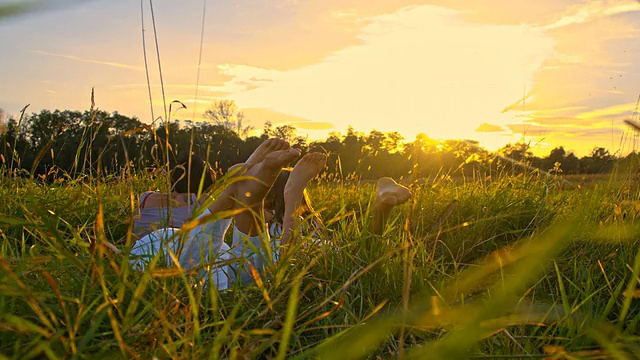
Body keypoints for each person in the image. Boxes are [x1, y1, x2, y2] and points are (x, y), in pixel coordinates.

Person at [130, 138, 300, 289]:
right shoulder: (202, 199)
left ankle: (241, 186)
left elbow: (130, 234)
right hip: (193, 250)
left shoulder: (147, 197)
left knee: (215, 271)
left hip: (154, 247)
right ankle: (243, 191)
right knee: (249, 276)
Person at [264, 152, 412, 250]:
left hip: (301, 259)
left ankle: (382, 205)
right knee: (364, 251)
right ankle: (381, 206)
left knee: (290, 253)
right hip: (329, 252)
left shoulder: (267, 216)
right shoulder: (310, 219)